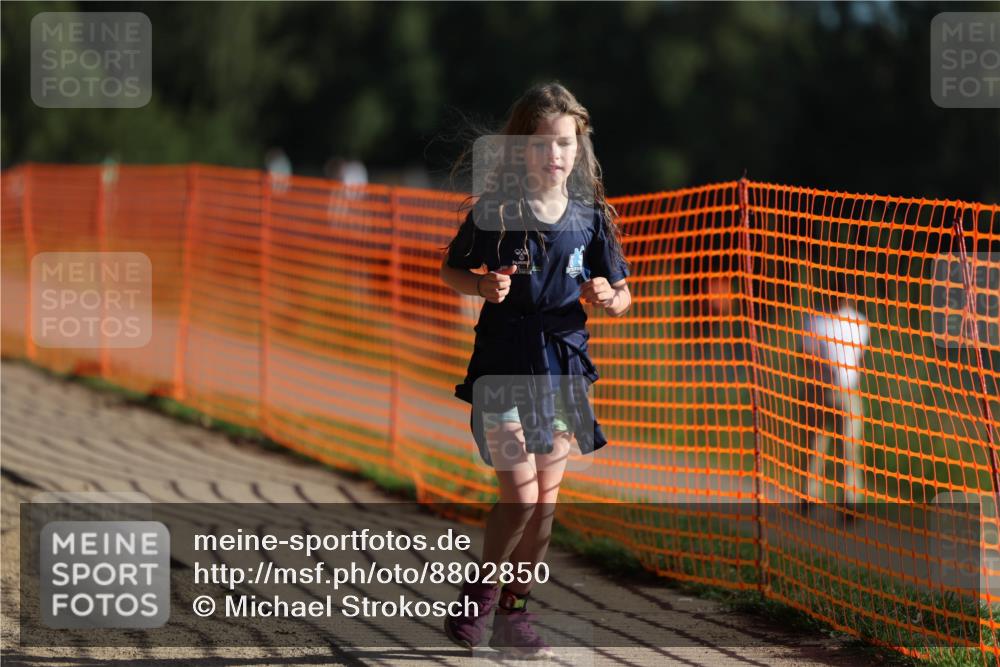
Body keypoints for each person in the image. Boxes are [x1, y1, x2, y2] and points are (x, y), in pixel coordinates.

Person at [439, 82, 631, 657]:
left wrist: (608, 295)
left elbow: (624, 295)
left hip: (563, 365)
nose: (556, 155)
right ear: (520, 148)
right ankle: (477, 598)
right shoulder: (495, 212)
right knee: (520, 497)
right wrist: (479, 284)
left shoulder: (591, 218)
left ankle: (514, 614)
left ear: (580, 148)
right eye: (544, 143)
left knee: (545, 505)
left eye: (566, 144)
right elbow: (451, 269)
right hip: (502, 362)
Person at [799, 274, 869, 508]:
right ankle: (809, 495)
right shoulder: (815, 320)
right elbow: (805, 355)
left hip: (847, 392)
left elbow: (859, 360)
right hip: (818, 391)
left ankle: (850, 502)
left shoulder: (858, 322)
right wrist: (822, 367)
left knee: (848, 449)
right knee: (814, 446)